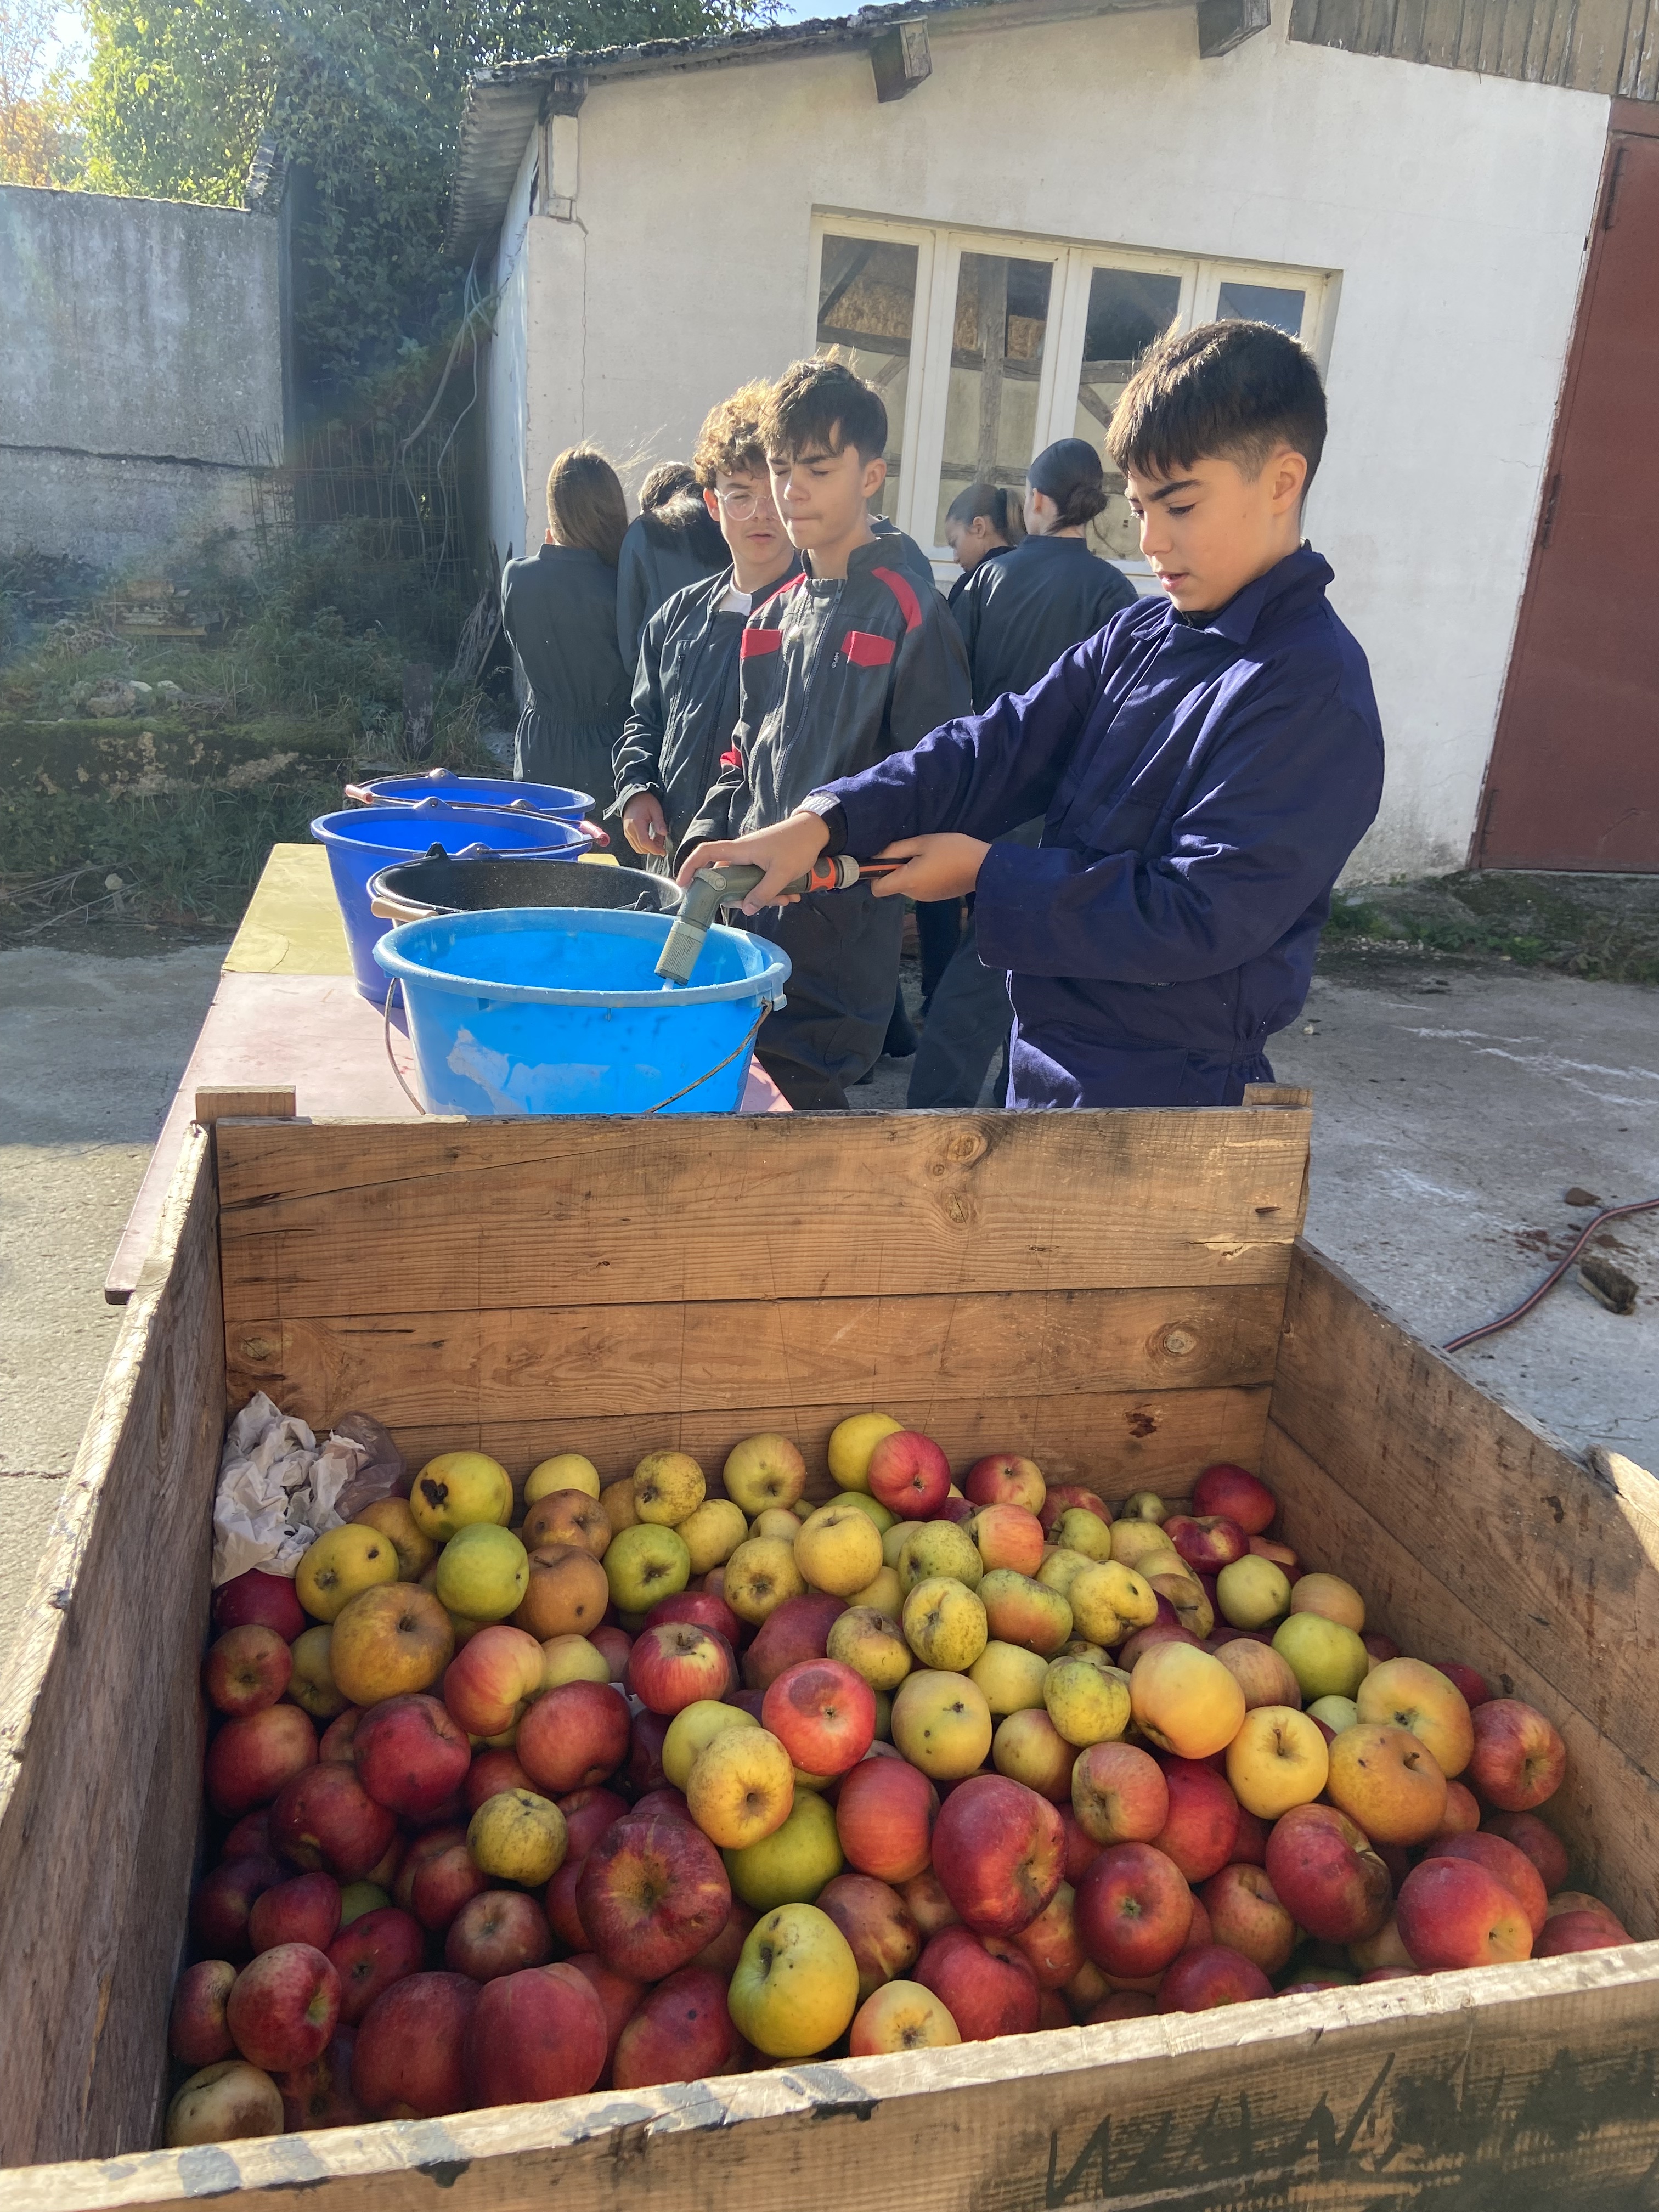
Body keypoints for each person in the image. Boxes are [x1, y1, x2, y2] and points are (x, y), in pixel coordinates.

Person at [678, 320, 1385, 1111]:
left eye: (1180, 505)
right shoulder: (1143, 634)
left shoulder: (1309, 690)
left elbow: (1197, 914)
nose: (1151, 541)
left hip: (1172, 1096)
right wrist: (826, 819)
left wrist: (990, 873)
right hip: (1045, 1056)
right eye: (1141, 506)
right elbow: (994, 746)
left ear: (1283, 480)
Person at [679, 356, 971, 1111]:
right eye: (781, 468)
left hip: (839, 963)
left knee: (800, 1152)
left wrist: (835, 869)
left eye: (817, 468)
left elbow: (937, 789)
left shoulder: (911, 612)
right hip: (742, 939)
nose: (791, 490)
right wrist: (702, 845)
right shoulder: (770, 618)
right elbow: (740, 760)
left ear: (871, 477)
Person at [910, 439, 1141, 1108]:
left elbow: (952, 687)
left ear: (1036, 502)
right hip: (1061, 812)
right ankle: (970, 1105)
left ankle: (938, 1106)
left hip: (984, 791)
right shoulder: (1113, 591)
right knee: (1013, 963)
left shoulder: (988, 578)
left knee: (982, 956)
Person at [612, 383, 800, 872]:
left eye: (772, 495)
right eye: (740, 495)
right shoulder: (676, 618)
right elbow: (644, 721)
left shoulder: (816, 619)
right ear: (713, 505)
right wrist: (636, 790)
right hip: (672, 861)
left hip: (758, 880)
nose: (760, 513)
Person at [500, 445, 633, 814]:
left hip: (542, 742)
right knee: (609, 862)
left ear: (555, 511)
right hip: (615, 746)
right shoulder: (624, 584)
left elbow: (517, 639)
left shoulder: (518, 577)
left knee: (542, 858)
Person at [616, 462, 726, 671]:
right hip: (726, 664)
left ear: (650, 502)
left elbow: (629, 635)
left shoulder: (643, 531)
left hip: (664, 669)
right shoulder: (724, 522)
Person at [943, 482, 1019, 607]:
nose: (955, 558)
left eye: (955, 543)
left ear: (979, 528)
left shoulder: (970, 587)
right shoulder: (1031, 575)